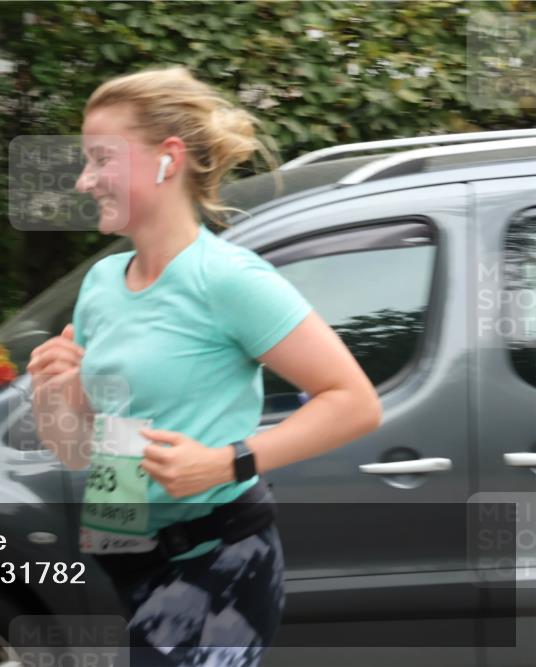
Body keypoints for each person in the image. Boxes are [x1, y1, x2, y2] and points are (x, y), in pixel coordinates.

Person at [25, 66, 383, 667]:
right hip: (127, 553)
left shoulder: (227, 279)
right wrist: (54, 395)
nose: (85, 181)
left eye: (100, 159)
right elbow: (79, 451)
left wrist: (226, 460)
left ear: (167, 158)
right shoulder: (103, 283)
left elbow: (354, 401)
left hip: (222, 559)